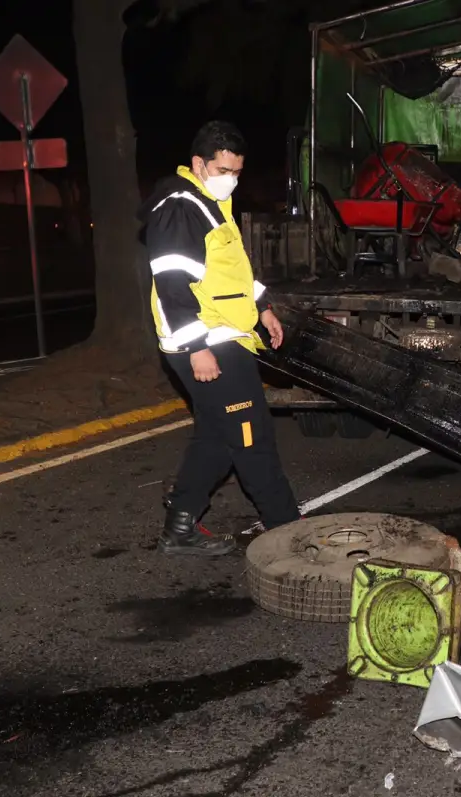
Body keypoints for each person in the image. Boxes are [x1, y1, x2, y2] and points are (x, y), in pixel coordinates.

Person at [140, 121, 301, 556]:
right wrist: (198, 349)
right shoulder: (181, 208)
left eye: (237, 170)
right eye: (223, 168)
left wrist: (262, 305)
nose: (231, 177)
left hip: (226, 337)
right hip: (207, 342)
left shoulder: (211, 203)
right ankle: (290, 534)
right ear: (199, 164)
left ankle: (180, 526)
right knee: (253, 439)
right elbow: (174, 285)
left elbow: (231, 271)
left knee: (217, 436)